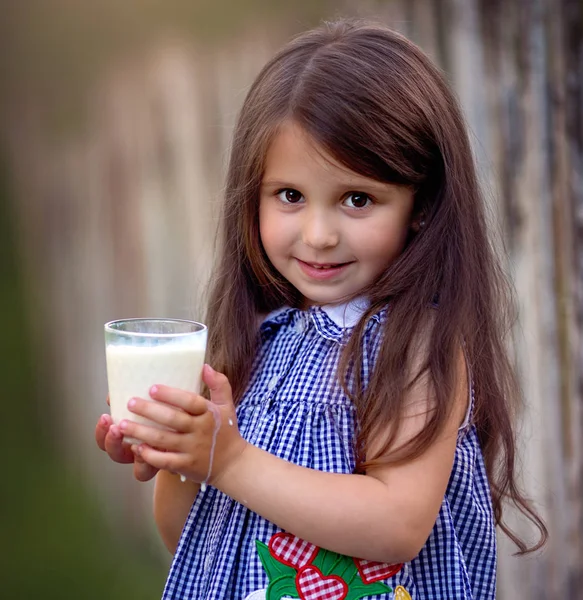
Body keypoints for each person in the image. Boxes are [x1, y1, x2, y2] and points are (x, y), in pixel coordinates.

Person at [95, 18, 547, 600]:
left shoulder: (411, 345)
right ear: (252, 195)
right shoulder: (262, 340)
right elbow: (194, 540)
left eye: (357, 199)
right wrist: (184, 456)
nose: (318, 233)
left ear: (422, 205)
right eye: (290, 196)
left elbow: (397, 525)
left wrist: (228, 461)